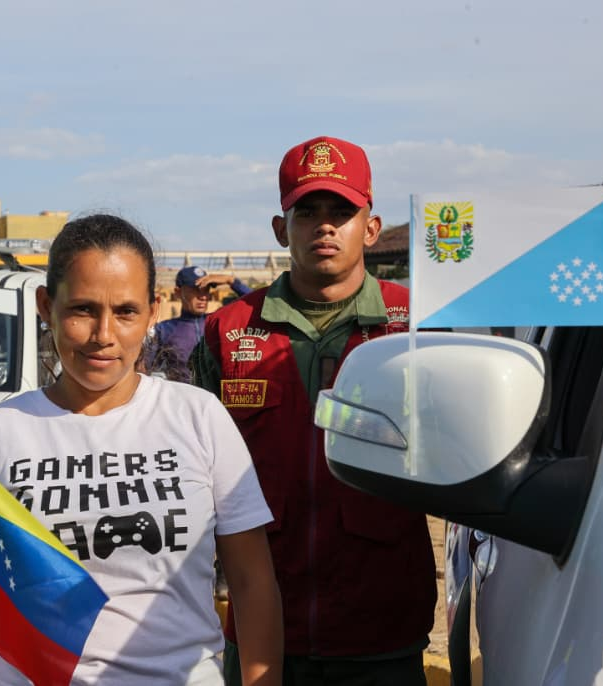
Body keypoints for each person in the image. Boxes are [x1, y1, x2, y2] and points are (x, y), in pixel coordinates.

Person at [0, 214, 285, 685]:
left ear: (152, 311)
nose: (104, 335)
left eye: (125, 311)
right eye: (82, 309)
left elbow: (251, 582)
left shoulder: (198, 417)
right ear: (46, 306)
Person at [192, 136, 437, 686]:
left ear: (370, 228)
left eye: (342, 212)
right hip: (263, 629)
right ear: (282, 230)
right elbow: (194, 466)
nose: (325, 227)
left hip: (382, 628)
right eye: (307, 212)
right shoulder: (227, 332)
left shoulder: (417, 326)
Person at [147, 265, 251, 383]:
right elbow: (145, 369)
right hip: (181, 398)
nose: (203, 296)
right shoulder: (164, 330)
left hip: (216, 399)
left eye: (206, 290)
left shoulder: (218, 322)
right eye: (195, 290)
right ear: (178, 292)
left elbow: (256, 305)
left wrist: (231, 281)